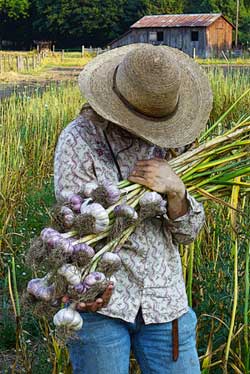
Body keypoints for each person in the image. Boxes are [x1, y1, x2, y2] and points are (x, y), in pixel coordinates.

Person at [54, 43, 213, 374]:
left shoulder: (179, 147)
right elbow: (74, 227)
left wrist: (176, 190)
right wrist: (86, 279)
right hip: (101, 304)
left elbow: (187, 233)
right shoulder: (79, 140)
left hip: (164, 302)